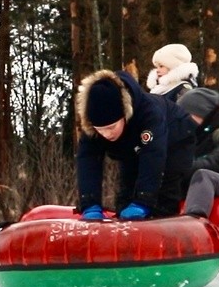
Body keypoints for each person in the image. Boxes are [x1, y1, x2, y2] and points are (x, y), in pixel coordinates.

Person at [76, 69, 196, 220]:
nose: (107, 134)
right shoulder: (91, 126)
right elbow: (87, 160)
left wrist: (143, 201)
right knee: (126, 196)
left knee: (163, 196)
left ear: (125, 115)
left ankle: (168, 232)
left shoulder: (149, 114)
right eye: (101, 130)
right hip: (133, 147)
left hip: (176, 136)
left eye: (111, 127)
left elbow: (153, 156)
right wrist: (89, 203)